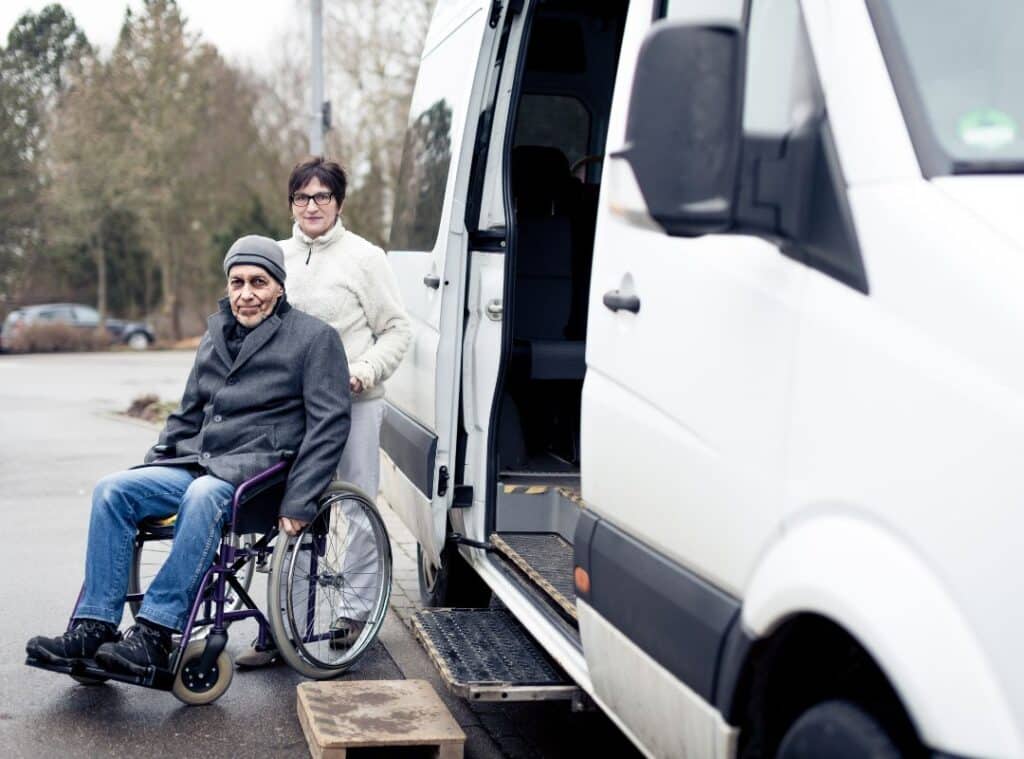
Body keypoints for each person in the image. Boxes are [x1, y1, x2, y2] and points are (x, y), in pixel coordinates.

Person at [26, 236, 351, 675]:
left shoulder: (314, 339)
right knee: (113, 490)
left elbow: (329, 425)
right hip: (200, 463)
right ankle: (95, 625)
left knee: (203, 495)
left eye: (258, 282)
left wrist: (300, 500)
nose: (246, 293)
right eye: (237, 282)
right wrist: (155, 461)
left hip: (262, 477)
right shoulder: (215, 333)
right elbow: (189, 412)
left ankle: (156, 633)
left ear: (278, 287)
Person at [236, 156, 411, 667]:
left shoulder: (364, 258)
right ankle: (283, 628)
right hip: (290, 408)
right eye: (301, 197)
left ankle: (354, 614)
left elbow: (397, 329)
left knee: (354, 508)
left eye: (322, 197)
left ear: (338, 202)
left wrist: (364, 370)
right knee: (291, 510)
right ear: (290, 202)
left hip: (353, 403)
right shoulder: (278, 256)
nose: (311, 206)